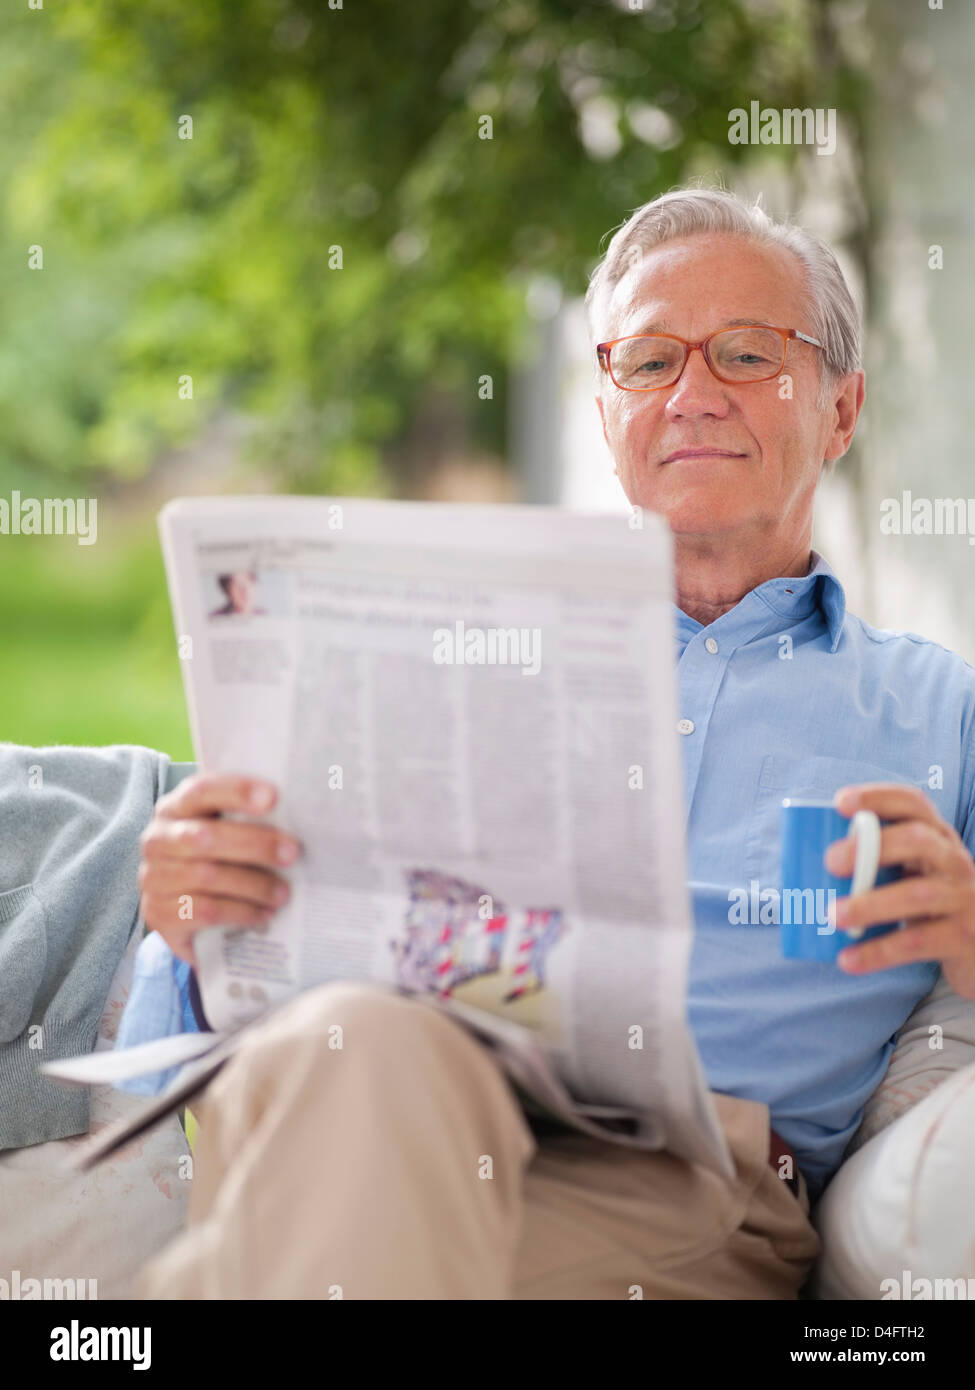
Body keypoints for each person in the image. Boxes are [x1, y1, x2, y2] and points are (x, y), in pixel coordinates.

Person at [134, 186, 975, 1300]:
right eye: (648, 362)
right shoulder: (442, 650)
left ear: (840, 408)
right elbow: (177, 1051)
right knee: (357, 1046)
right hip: (380, 1093)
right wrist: (194, 935)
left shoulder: (937, 709)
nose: (691, 394)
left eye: (745, 352)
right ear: (607, 415)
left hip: (681, 1184)